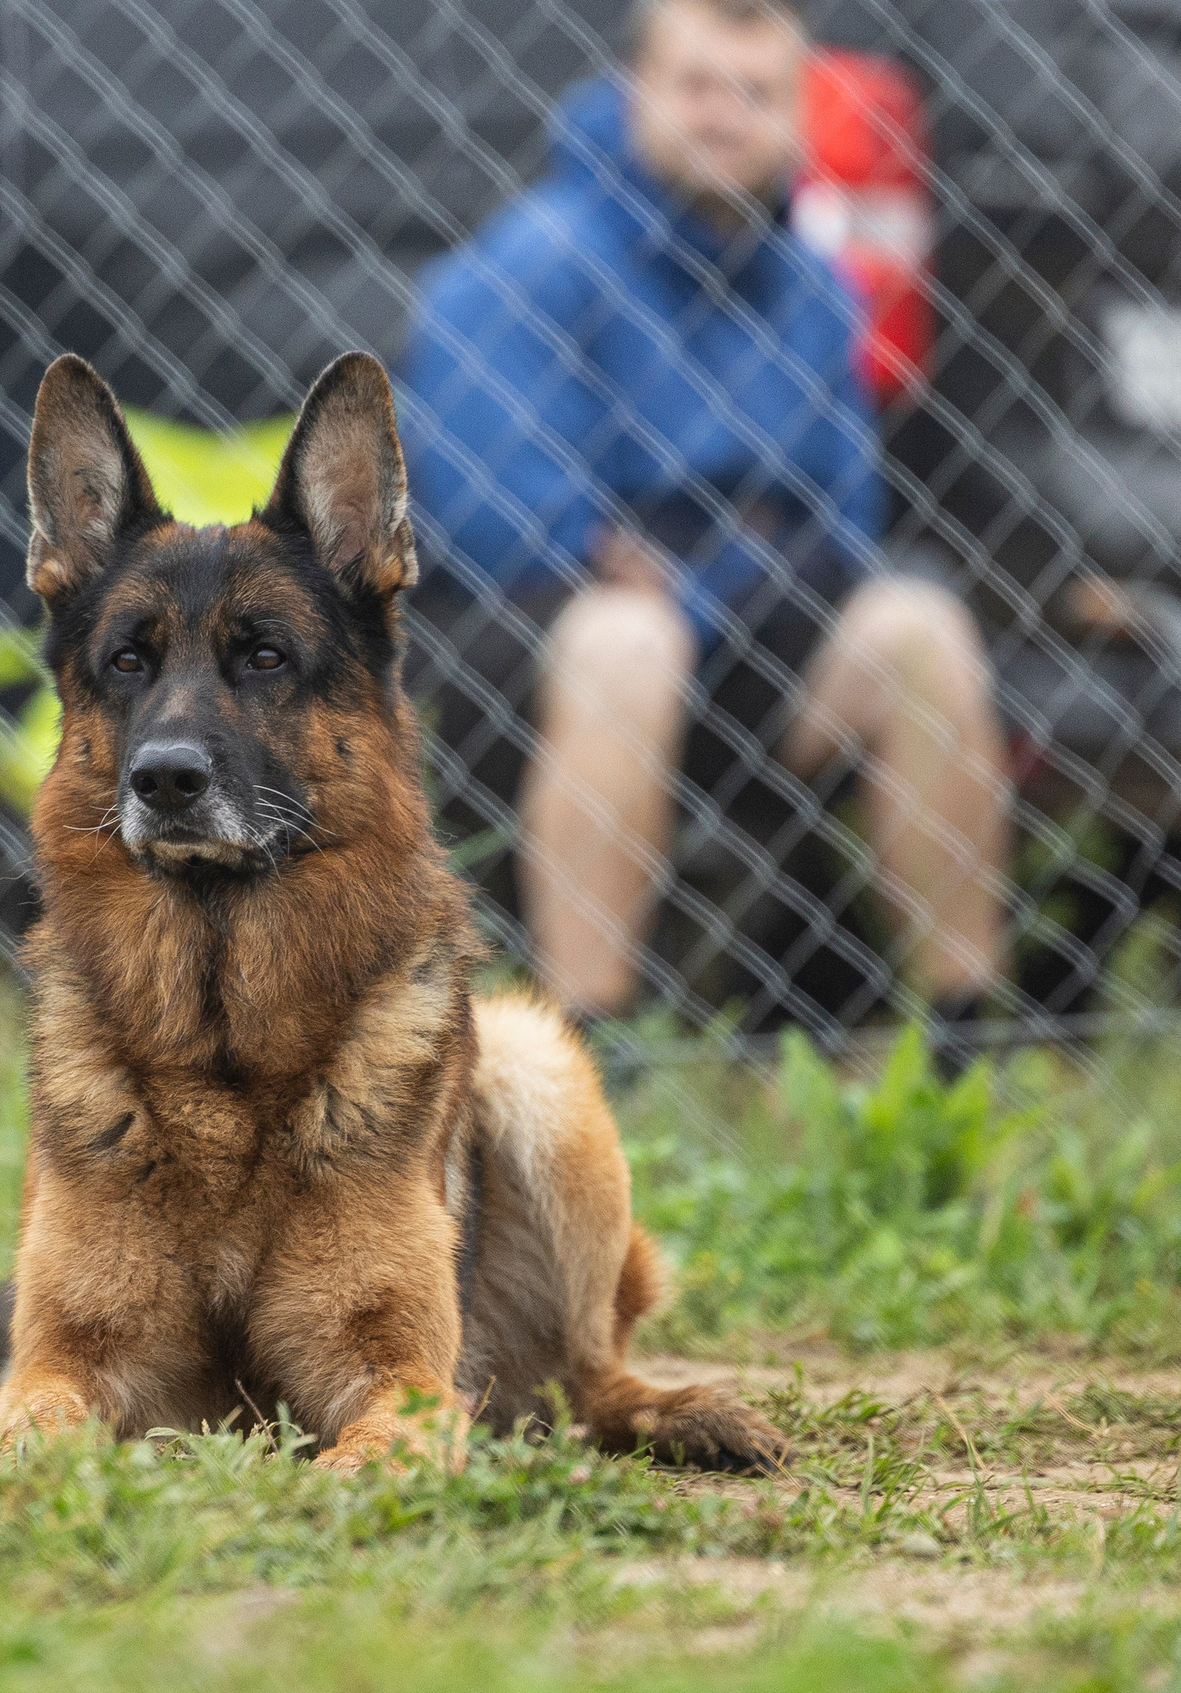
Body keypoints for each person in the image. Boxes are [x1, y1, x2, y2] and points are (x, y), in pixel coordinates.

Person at [398, 0, 1011, 1056]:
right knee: (629, 640)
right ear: (637, 91)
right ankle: (594, 1040)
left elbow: (842, 518)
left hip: (730, 625)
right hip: (537, 641)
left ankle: (964, 1032)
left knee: (917, 628)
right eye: (694, 85)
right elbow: (496, 509)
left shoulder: (814, 290)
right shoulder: (536, 258)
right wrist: (652, 568)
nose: (723, 116)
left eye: (755, 93)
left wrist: (741, 581)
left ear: (794, 115)